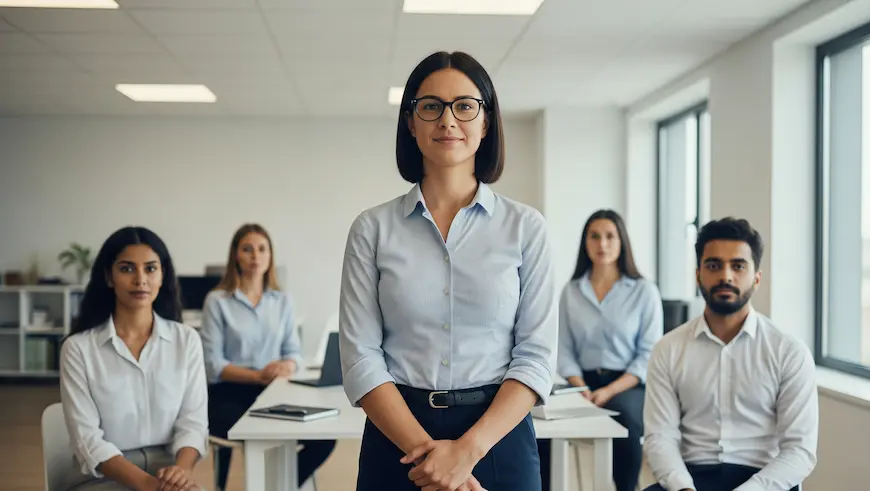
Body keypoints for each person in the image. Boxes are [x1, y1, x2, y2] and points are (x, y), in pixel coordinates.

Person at [338, 51, 557, 491]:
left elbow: (535, 358)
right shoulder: (372, 229)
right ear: (411, 122)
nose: (448, 120)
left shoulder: (526, 227)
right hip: (397, 436)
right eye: (431, 106)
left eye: (464, 105)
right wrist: (430, 458)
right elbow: (361, 358)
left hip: (497, 436)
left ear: (486, 121)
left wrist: (464, 454)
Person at [643, 217, 818, 491]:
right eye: (714, 265)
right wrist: (683, 488)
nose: (726, 276)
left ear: (756, 277)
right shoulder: (668, 349)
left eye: (738, 266)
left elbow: (799, 451)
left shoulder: (789, 352)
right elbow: (660, 437)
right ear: (698, 274)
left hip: (762, 481)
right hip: (691, 479)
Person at [59, 226, 207, 491]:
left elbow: (193, 423)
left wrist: (181, 474)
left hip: (169, 471)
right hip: (103, 476)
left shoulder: (187, 341)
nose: (140, 280)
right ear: (108, 276)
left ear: (163, 276)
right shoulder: (78, 349)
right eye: (127, 269)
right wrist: (150, 486)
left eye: (150, 269)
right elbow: (87, 439)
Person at [200, 223, 335, 490]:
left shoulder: (282, 301)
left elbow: (294, 353)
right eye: (247, 249)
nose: (255, 256)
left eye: (262, 249)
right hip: (228, 394)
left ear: (270, 256)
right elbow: (212, 365)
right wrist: (257, 375)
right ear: (235, 255)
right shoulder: (217, 301)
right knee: (261, 435)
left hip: (274, 393)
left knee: (325, 439)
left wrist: (286, 364)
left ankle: (280, 486)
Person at [538, 209, 663, 491]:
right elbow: (563, 349)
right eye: (594, 236)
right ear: (585, 243)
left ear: (622, 242)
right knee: (540, 422)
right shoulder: (572, 291)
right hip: (579, 383)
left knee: (627, 420)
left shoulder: (644, 291)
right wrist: (581, 387)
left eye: (609, 236)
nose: (602, 244)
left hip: (628, 384)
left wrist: (607, 392)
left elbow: (648, 354)